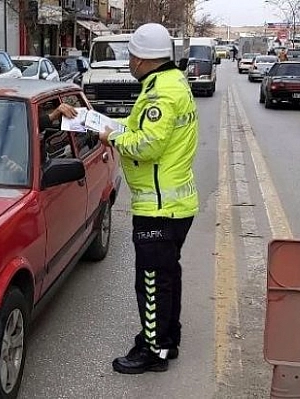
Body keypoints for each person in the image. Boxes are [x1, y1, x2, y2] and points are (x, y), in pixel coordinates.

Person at [96, 22, 199, 374]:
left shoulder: (160, 94)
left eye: (130, 56)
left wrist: (111, 138)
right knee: (168, 274)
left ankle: (153, 350)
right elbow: (144, 129)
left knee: (152, 280)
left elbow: (148, 144)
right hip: (174, 203)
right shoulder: (169, 83)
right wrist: (103, 123)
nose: (129, 62)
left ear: (141, 59)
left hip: (159, 207)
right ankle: (168, 340)